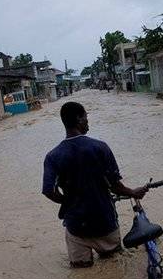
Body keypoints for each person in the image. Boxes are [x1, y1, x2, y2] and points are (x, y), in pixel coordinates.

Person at [42, 102, 148, 268]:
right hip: (105, 223)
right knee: (114, 267)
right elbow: (115, 186)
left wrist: (69, 202)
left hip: (76, 228)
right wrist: (133, 192)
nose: (87, 121)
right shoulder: (100, 148)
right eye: (86, 117)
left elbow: (49, 191)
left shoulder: (53, 156)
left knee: (82, 276)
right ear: (79, 119)